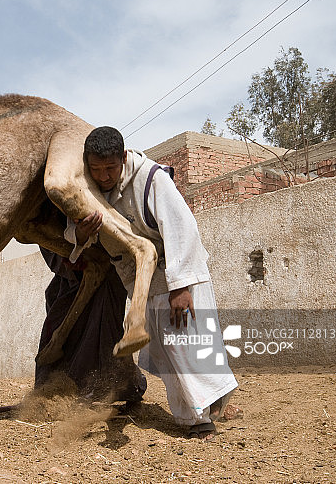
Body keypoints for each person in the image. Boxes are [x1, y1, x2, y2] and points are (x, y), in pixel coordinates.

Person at [65, 125, 238, 440]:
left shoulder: (151, 179)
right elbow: (73, 235)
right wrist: (81, 234)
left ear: (124, 158)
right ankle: (209, 407)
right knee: (169, 351)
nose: (103, 176)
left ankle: (199, 421)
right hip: (141, 282)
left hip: (177, 276)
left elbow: (182, 229)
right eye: (96, 169)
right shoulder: (87, 190)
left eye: (110, 169)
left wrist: (181, 287)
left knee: (188, 346)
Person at [35, 246, 147, 404]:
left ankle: (102, 387)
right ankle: (55, 387)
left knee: (101, 324)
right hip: (72, 266)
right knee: (58, 308)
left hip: (104, 262)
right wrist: (73, 248)